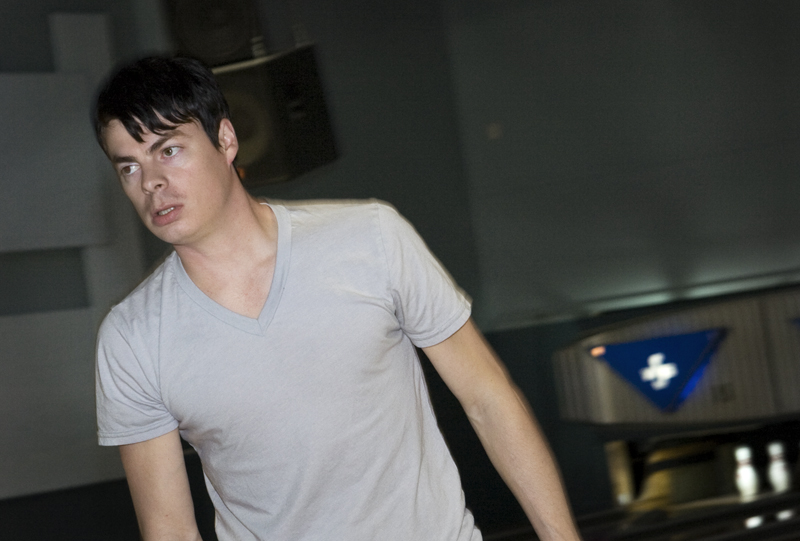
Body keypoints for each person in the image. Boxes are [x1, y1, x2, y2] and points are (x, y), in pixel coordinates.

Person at [93, 56, 581, 541]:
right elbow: (170, 530)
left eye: (168, 150)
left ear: (225, 139)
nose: (150, 182)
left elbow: (488, 399)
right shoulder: (132, 337)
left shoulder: (371, 238)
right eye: (129, 167)